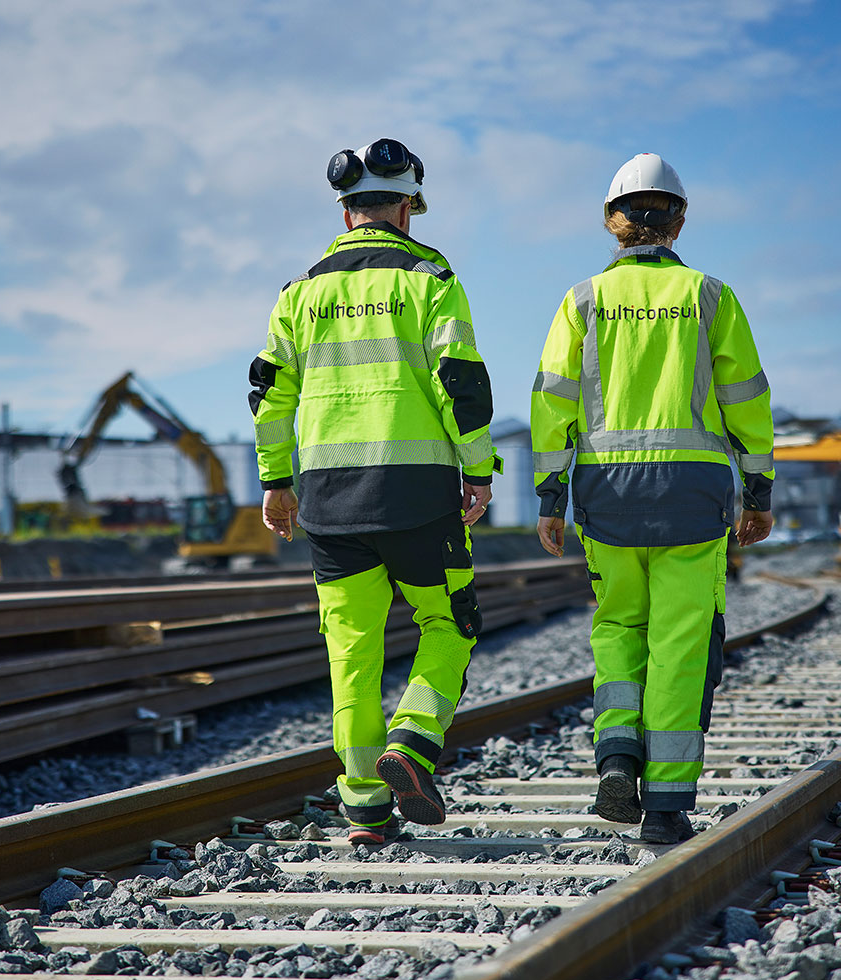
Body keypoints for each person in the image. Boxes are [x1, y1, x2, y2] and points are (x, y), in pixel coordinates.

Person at [249, 138, 500, 846]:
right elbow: (462, 380)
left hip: (328, 499)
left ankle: (363, 808)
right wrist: (477, 469)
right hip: (417, 491)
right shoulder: (430, 278)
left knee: (350, 651)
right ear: (407, 207)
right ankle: (414, 740)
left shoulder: (299, 291)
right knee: (450, 623)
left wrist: (276, 481)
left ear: (345, 209)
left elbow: (268, 393)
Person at [530, 153, 775, 844]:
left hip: (607, 493)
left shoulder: (580, 300)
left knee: (618, 630)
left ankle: (616, 757)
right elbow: (746, 400)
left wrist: (552, 496)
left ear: (612, 223)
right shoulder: (711, 297)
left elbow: (552, 403)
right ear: (680, 221)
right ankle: (666, 807)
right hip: (692, 496)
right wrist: (757, 488)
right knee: (680, 642)